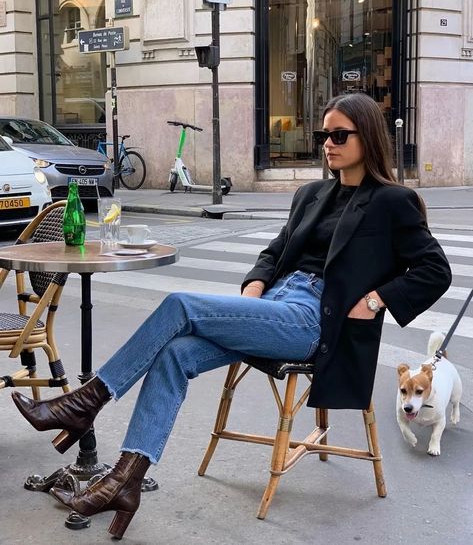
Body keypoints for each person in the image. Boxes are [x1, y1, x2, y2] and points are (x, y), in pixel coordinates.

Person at [11, 93, 451, 539]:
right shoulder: (312, 194)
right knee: (176, 354)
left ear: (368, 138)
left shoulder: (393, 201)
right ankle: (125, 481)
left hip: (314, 321)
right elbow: (276, 251)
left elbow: (436, 270)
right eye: (323, 135)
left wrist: (375, 300)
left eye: (339, 135)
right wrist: (256, 284)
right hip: (273, 306)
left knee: (180, 304)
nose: (327, 144)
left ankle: (85, 403)